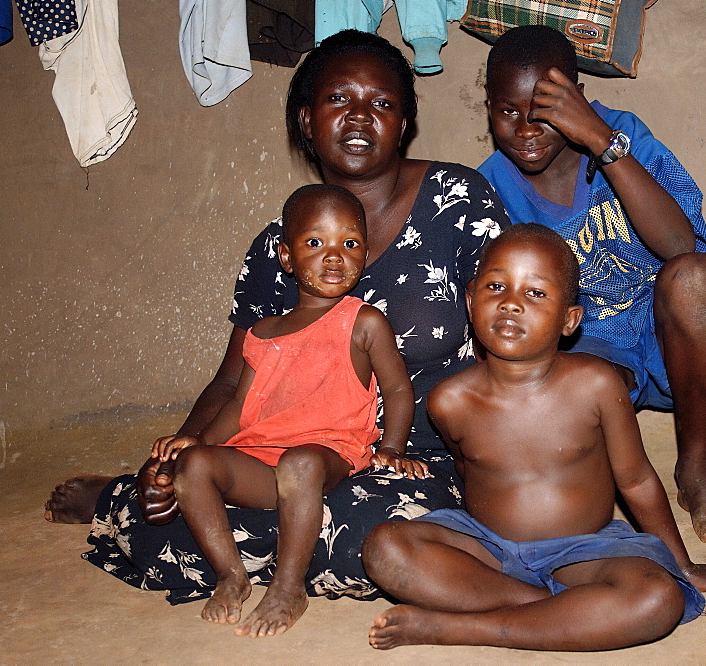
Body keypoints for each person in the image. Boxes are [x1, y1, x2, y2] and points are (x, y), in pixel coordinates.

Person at [44, 29, 509, 604]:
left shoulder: (459, 201)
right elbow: (233, 379)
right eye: (339, 100)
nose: (361, 117)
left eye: (383, 103)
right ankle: (125, 494)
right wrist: (179, 453)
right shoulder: (276, 248)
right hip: (282, 456)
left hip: (416, 459)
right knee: (172, 512)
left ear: (405, 123)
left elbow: (513, 337)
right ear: (306, 120)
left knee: (382, 540)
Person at [362, 224, 706, 651]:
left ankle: (462, 627)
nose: (511, 304)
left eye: (535, 294)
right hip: (490, 551)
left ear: (570, 320)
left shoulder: (596, 385)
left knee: (657, 598)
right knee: (386, 548)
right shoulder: (450, 401)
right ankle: (559, 612)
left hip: (585, 552)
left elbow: (637, 481)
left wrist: (683, 567)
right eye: (496, 286)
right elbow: (467, 474)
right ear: (471, 299)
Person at [476, 25, 706, 545]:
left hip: (667, 322)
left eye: (544, 110)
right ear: (489, 108)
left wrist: (602, 142)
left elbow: (680, 245)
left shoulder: (621, 132)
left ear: (578, 97)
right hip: (583, 339)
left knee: (698, 278)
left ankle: (697, 472)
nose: (525, 129)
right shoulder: (489, 186)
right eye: (506, 112)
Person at [150, 184, 428, 637]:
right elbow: (240, 407)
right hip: (262, 460)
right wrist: (199, 442)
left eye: (350, 243)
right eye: (315, 243)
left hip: (327, 453)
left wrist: (393, 447)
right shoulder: (263, 331)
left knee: (299, 462)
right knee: (194, 464)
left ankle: (287, 587)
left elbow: (398, 391)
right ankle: (231, 575)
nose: (334, 256)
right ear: (286, 256)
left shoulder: (363, 321)